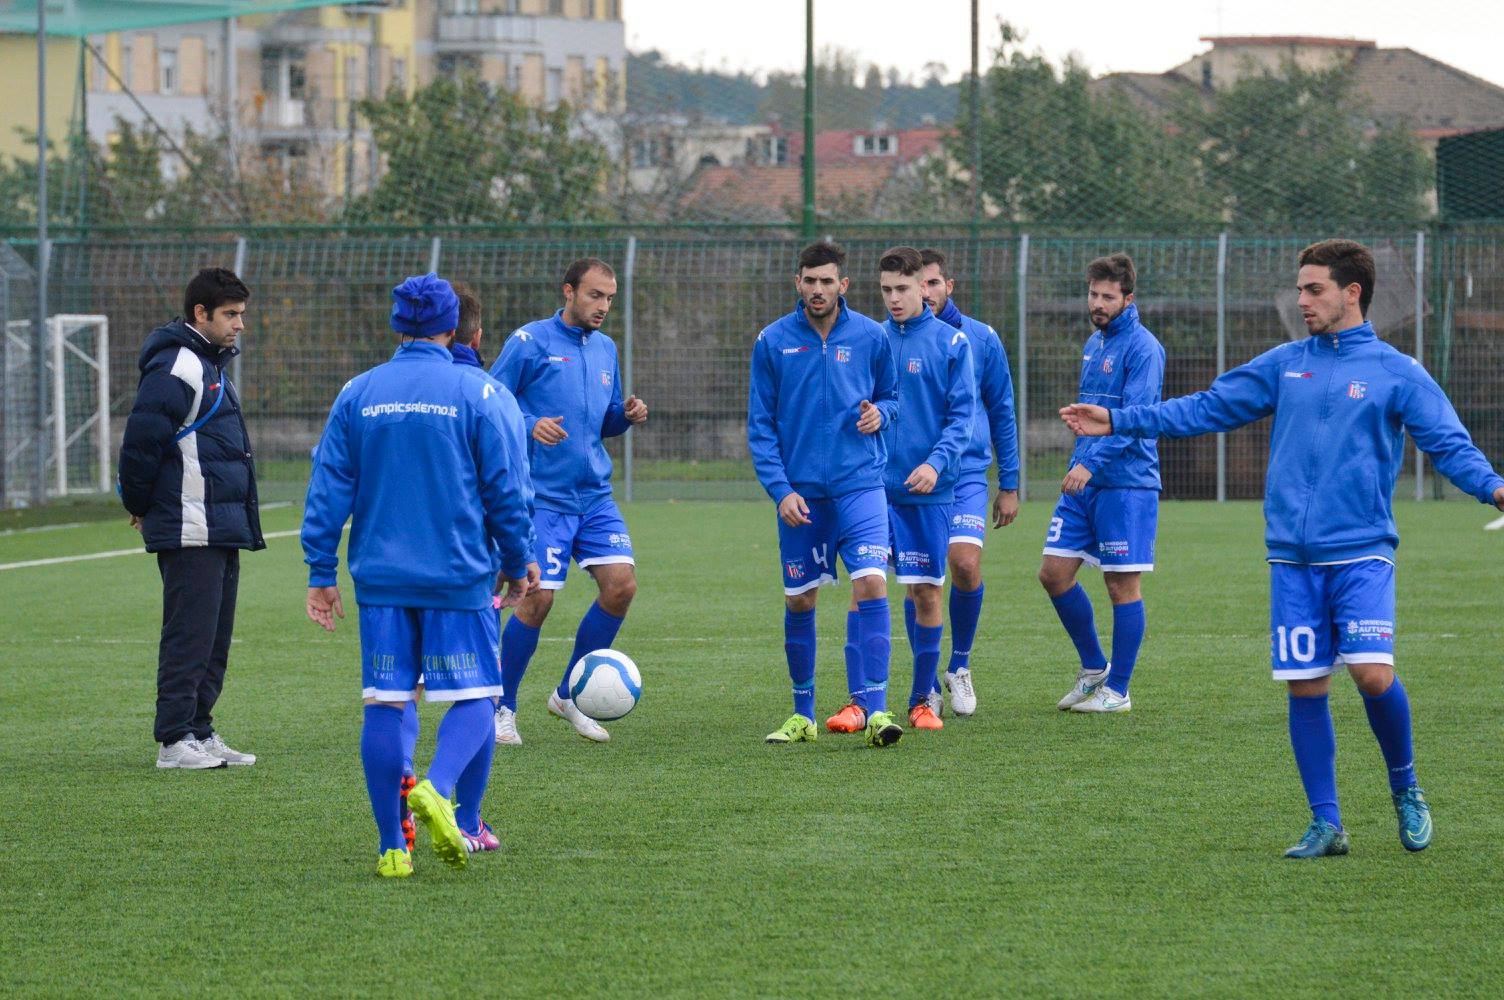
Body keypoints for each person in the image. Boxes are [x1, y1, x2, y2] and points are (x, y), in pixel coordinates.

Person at [1061, 239, 1504, 858]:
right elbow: (1208, 408)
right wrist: (1120, 421)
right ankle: (1327, 824)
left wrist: (1494, 488)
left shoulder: (1395, 371)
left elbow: (1450, 445)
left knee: (1375, 676)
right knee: (1306, 686)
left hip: (1361, 553)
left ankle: (1405, 787)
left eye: (1313, 289)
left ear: (1352, 293)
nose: (1302, 300)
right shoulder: (1285, 362)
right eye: (1300, 289)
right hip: (1291, 558)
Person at [302, 272, 539, 879]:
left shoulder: (358, 392)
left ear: (397, 326)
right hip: (457, 574)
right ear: (452, 327)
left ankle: (392, 848)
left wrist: (320, 569)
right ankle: (437, 787)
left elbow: (329, 487)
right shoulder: (478, 393)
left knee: (386, 705)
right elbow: (506, 492)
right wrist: (517, 563)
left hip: (380, 580)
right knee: (478, 695)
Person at [747, 239, 903, 748]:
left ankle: (877, 711)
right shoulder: (772, 342)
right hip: (802, 499)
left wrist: (881, 414)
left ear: (844, 285)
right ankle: (803, 714)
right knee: (801, 601)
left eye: (826, 281)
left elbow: (893, 398)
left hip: (861, 486)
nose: (818, 290)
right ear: (798, 283)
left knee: (872, 586)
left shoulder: (872, 337)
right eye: (809, 281)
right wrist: (780, 490)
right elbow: (761, 427)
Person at [489, 258, 648, 744]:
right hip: (544, 498)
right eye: (595, 295)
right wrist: (529, 421)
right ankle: (501, 707)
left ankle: (568, 695)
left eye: (610, 298)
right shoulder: (529, 341)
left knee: (621, 587)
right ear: (569, 291)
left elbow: (604, 422)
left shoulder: (606, 349)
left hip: (594, 495)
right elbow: (489, 399)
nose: (603, 306)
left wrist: (625, 415)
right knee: (537, 600)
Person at [118, 267, 264, 770]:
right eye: (230, 315)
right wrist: (137, 503)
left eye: (241, 314)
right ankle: (174, 739)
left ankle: (200, 729)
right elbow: (142, 440)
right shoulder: (180, 364)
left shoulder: (209, 363)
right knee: (190, 636)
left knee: (214, 638)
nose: (239, 325)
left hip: (218, 523)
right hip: (189, 523)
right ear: (200, 313)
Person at [1040, 253, 1164, 714]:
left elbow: (1134, 421)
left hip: (1126, 483)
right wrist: (1081, 460)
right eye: (1093, 294)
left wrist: (1090, 465)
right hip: (1083, 481)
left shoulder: (1143, 348)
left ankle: (1120, 691)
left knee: (1120, 586)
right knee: (1053, 574)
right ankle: (1095, 670)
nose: (1097, 303)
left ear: (1128, 299)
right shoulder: (1094, 342)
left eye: (1107, 297)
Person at [915, 247, 1020, 718]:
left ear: (949, 286)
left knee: (963, 564)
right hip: (915, 478)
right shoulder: (893, 340)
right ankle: (926, 680)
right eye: (918, 285)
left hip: (967, 476)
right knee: (922, 580)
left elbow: (1002, 410)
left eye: (933, 283)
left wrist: (1010, 483)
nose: (926, 293)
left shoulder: (980, 338)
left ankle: (959, 666)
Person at [876, 246, 976, 733]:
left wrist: (936, 466)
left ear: (924, 287)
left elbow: (962, 420)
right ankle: (864, 701)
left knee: (925, 591)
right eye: (886, 290)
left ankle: (922, 696)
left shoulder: (952, 344)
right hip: (873, 492)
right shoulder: (872, 341)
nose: (894, 299)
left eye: (902, 289)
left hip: (929, 491)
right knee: (867, 590)